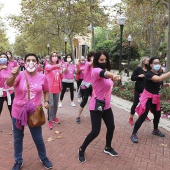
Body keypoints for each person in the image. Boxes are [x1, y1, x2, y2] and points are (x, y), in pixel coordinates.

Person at [7, 53, 52, 170]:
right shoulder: (19, 74)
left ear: (37, 63)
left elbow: (46, 91)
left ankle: (43, 157)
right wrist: (13, 75)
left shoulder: (42, 77)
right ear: (24, 62)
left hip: (34, 113)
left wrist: (46, 101)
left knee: (38, 138)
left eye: (33, 60)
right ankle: (18, 161)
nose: (31, 62)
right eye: (28, 60)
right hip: (18, 111)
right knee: (17, 138)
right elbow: (9, 84)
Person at [78, 50, 121, 163]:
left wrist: (113, 77)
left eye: (105, 59)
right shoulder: (96, 70)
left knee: (111, 127)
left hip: (106, 106)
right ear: (97, 60)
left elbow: (107, 78)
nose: (104, 61)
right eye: (101, 60)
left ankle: (108, 147)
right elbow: (104, 74)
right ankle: (81, 149)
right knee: (95, 131)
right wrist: (114, 75)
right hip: (96, 106)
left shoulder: (105, 71)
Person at [131, 57, 170, 143]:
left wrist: (167, 84)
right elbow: (159, 79)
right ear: (151, 65)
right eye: (155, 63)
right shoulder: (148, 74)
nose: (158, 64)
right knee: (143, 115)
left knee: (157, 114)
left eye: (159, 63)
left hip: (155, 97)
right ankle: (134, 133)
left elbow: (160, 84)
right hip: (148, 97)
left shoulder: (159, 74)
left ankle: (155, 130)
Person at [129, 57, 151, 125]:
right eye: (148, 61)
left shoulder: (149, 69)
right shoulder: (137, 69)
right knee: (135, 104)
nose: (149, 62)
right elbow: (132, 78)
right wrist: (138, 76)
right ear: (143, 62)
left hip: (146, 91)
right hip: (138, 89)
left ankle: (144, 116)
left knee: (145, 105)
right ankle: (131, 118)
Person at [76, 52, 95, 124]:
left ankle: (94, 116)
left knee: (94, 100)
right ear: (90, 57)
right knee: (84, 100)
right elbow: (90, 64)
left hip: (92, 85)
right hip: (85, 85)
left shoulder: (94, 66)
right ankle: (78, 116)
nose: (94, 58)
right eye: (92, 56)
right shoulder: (87, 63)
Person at [45, 52, 62, 129]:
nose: (55, 57)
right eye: (53, 56)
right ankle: (50, 120)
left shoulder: (59, 67)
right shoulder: (48, 65)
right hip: (50, 89)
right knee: (51, 104)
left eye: (56, 56)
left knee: (55, 104)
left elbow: (61, 75)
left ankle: (54, 117)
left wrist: (62, 71)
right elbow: (49, 68)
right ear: (51, 57)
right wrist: (56, 66)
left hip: (57, 88)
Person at [0, 53, 15, 120]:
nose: (3, 58)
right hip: (0, 92)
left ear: (7, 59)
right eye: (1, 57)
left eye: (4, 57)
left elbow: (15, 79)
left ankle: (14, 123)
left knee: (12, 108)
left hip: (10, 91)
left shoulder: (11, 68)